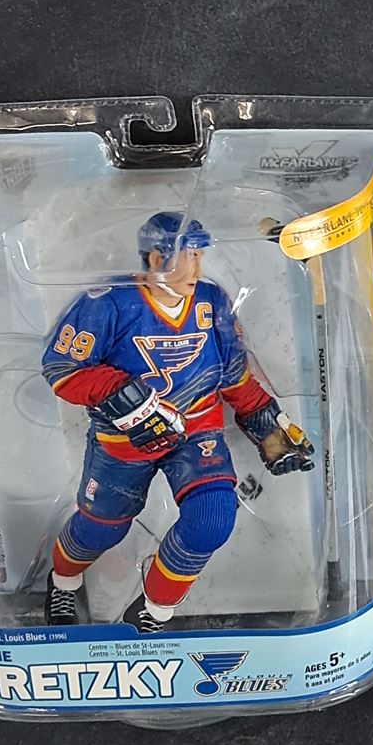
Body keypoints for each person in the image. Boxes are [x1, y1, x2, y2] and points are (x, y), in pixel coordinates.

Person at [38, 211, 313, 633]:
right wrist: (124, 395)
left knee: (212, 518)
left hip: (196, 431)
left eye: (199, 256)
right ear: (154, 258)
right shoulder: (107, 302)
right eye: (186, 257)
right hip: (124, 442)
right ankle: (63, 580)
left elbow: (234, 376)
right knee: (100, 530)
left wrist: (268, 426)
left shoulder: (212, 301)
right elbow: (62, 369)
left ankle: (154, 609)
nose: (195, 269)